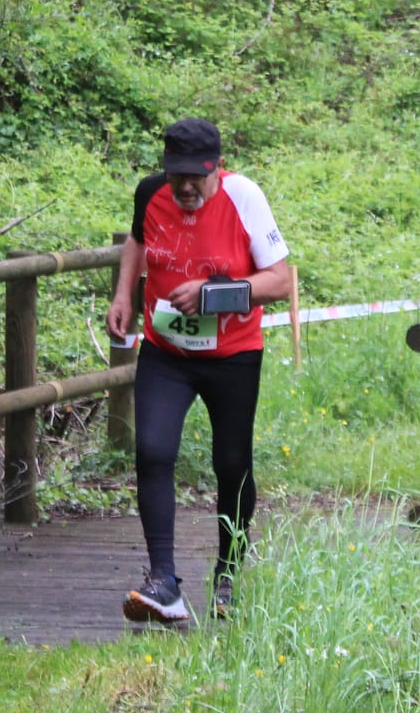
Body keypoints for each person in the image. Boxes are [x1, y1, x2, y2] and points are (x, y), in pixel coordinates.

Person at [107, 117, 292, 624]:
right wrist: (124, 293)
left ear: (218, 167)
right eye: (177, 175)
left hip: (232, 353)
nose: (186, 186)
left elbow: (280, 281)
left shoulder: (245, 197)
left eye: (198, 176)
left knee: (231, 465)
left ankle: (227, 574)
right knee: (152, 451)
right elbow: (137, 242)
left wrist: (213, 295)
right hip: (166, 353)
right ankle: (164, 581)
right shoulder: (151, 193)